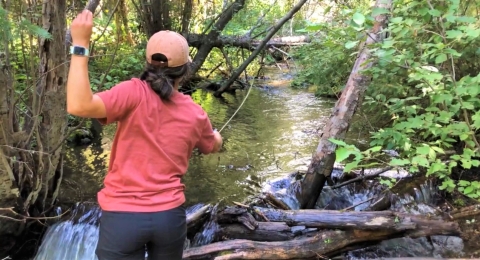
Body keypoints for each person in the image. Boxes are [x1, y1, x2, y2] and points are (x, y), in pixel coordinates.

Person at [66, 10, 223, 260]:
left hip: (122, 220)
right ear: (185, 70)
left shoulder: (132, 93)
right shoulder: (196, 113)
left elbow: (79, 106)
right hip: (170, 220)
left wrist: (81, 44)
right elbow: (212, 145)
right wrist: (217, 137)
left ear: (147, 62)